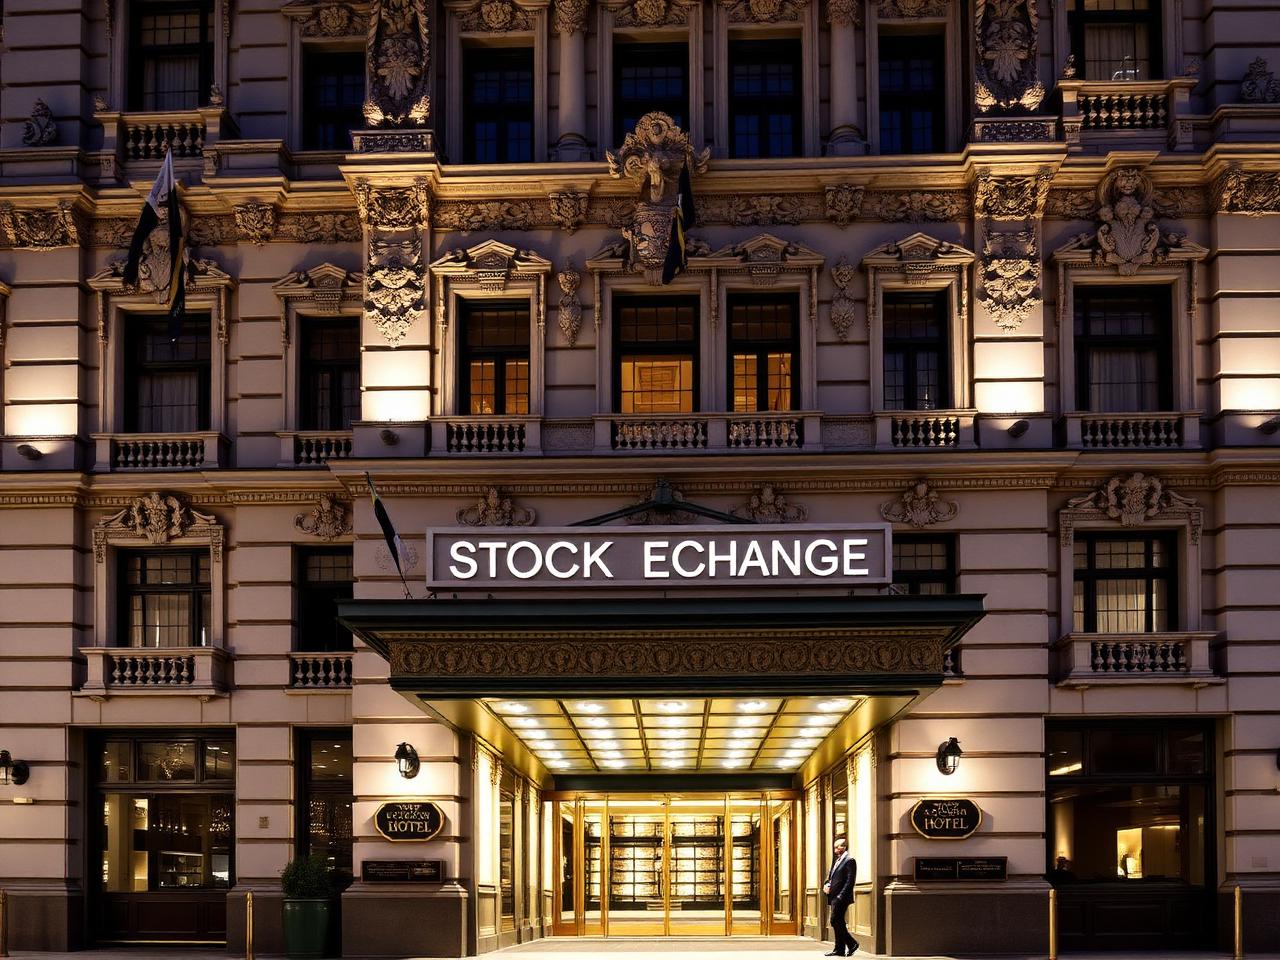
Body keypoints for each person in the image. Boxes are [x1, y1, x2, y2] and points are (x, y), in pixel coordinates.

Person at [821, 837, 858, 956]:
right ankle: (839, 949)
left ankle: (852, 943)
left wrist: (841, 896)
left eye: (838, 847)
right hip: (833, 896)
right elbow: (831, 877)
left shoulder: (849, 860)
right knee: (839, 921)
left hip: (841, 897)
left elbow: (850, 880)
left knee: (834, 920)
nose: (835, 849)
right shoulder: (836, 861)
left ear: (844, 847)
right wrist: (827, 884)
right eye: (834, 847)